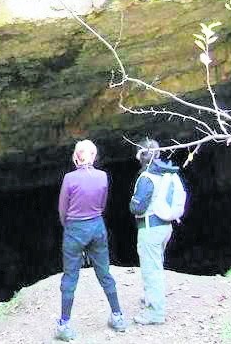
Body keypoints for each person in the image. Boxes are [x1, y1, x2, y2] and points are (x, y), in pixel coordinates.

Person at [55, 139, 127, 341]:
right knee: (104, 272)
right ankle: (118, 316)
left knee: (70, 277)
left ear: (76, 156)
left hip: (75, 229)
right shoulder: (102, 176)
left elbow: (63, 209)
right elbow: (102, 204)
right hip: (97, 226)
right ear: (93, 156)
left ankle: (64, 325)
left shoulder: (69, 178)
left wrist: (70, 227)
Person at [129, 138, 182, 325]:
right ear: (158, 153)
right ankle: (150, 297)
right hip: (165, 227)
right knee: (155, 264)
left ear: (140, 156)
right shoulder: (167, 173)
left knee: (152, 270)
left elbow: (137, 207)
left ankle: (155, 312)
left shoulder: (146, 178)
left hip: (150, 228)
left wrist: (132, 203)